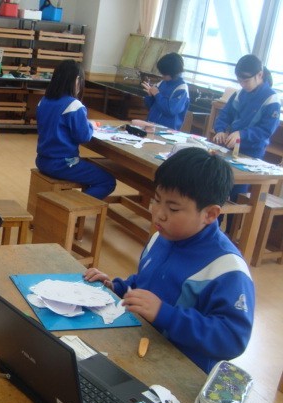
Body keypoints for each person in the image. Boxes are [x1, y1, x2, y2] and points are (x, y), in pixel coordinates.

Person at [84, 147, 254, 374]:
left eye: (173, 208)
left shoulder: (227, 269)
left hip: (182, 370)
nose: (159, 213)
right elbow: (144, 282)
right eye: (156, 200)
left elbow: (233, 338)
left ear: (210, 214)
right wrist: (116, 288)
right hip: (141, 348)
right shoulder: (162, 237)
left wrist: (166, 314)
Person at [35, 59, 116, 200]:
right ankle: (73, 205)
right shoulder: (73, 105)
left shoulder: (44, 101)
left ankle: (71, 204)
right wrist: (90, 126)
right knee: (107, 181)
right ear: (77, 80)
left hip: (42, 160)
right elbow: (84, 137)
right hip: (62, 164)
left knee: (91, 170)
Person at [212, 54, 280, 202]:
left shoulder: (271, 99)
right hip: (229, 148)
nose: (243, 84)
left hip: (251, 154)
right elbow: (225, 114)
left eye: (246, 81)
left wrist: (242, 134)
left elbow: (265, 131)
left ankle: (231, 218)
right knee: (217, 188)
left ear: (259, 75)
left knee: (237, 194)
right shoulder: (239, 94)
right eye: (239, 81)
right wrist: (221, 130)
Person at [141, 52, 190, 130]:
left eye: (164, 74)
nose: (162, 76)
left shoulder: (182, 88)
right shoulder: (162, 83)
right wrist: (150, 96)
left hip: (167, 130)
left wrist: (157, 94)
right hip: (151, 125)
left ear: (173, 73)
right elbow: (151, 106)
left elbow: (171, 110)